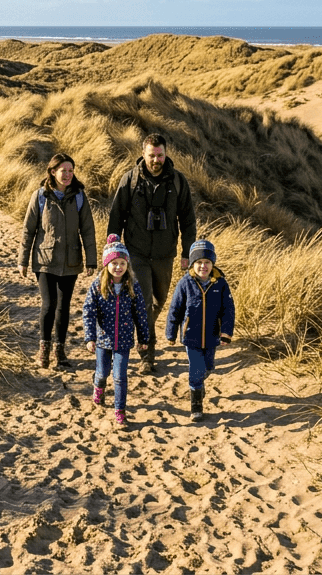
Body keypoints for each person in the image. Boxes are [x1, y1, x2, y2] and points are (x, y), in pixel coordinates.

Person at [106, 133, 196, 375]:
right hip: (136, 252)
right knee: (144, 302)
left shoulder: (178, 181)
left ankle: (142, 327)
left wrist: (187, 252)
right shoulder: (130, 179)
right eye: (151, 155)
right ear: (143, 154)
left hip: (166, 253)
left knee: (159, 300)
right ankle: (147, 354)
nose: (156, 160)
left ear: (165, 154)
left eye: (160, 155)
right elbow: (116, 214)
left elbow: (188, 220)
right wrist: (113, 247)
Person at [19, 152, 97, 369]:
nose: (68, 175)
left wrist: (91, 260)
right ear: (53, 172)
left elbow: (88, 230)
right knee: (49, 304)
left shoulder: (79, 197)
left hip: (71, 261)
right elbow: (28, 230)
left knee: (64, 307)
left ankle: (59, 352)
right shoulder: (40, 196)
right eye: (64, 171)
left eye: (71, 171)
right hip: (44, 259)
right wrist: (22, 260)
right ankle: (43, 351)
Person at [82, 234, 152, 427]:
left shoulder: (133, 286)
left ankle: (120, 410)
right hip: (103, 340)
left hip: (124, 341)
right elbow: (88, 311)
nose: (118, 267)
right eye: (114, 263)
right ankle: (99, 388)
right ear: (107, 265)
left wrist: (144, 338)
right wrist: (90, 337)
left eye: (122, 263)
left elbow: (140, 313)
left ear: (127, 264)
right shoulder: (98, 285)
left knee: (120, 377)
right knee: (102, 372)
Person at [165, 240, 235, 422]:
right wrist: (171, 332)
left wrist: (226, 333)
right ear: (192, 264)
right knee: (196, 369)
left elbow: (228, 309)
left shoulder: (220, 283)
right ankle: (196, 404)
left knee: (208, 366)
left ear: (213, 264)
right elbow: (175, 308)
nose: (203, 266)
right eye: (199, 262)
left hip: (212, 335)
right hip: (191, 336)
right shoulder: (185, 283)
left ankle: (199, 382)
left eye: (207, 262)